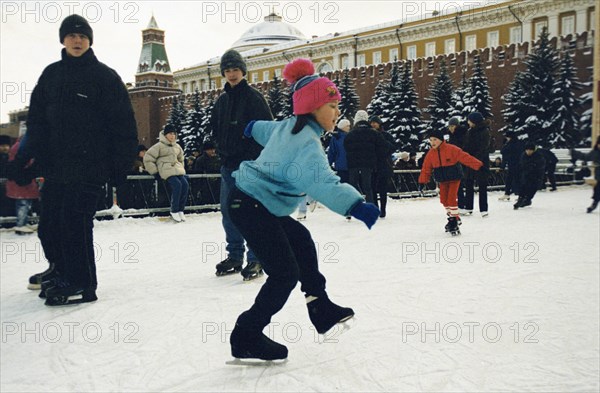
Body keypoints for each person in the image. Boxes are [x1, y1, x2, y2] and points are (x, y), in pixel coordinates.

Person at [227, 58, 380, 360]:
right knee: (284, 274)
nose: (338, 113)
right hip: (251, 204)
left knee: (301, 240)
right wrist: (356, 205)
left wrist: (250, 127)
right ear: (312, 107)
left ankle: (319, 306)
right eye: (332, 106)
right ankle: (246, 334)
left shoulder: (288, 128)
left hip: (254, 202)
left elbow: (265, 130)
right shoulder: (307, 146)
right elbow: (324, 184)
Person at [10, 14, 138, 305]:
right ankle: (60, 270)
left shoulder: (104, 77)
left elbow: (124, 127)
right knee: (50, 225)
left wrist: (121, 168)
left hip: (90, 167)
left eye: (82, 36)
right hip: (56, 167)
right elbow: (38, 123)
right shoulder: (51, 75)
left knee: (74, 224)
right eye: (71, 35)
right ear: (63, 40)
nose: (76, 40)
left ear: (90, 40)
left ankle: (82, 282)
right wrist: (23, 160)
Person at [210, 49, 273, 280]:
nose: (232, 74)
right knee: (229, 213)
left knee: (250, 214)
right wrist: (220, 149)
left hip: (250, 166)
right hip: (228, 166)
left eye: (235, 69)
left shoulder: (254, 98)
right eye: (227, 70)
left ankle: (256, 259)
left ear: (243, 71)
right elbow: (215, 129)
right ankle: (235, 255)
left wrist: (253, 158)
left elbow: (267, 131)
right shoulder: (223, 101)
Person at [418, 129, 484, 235]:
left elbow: (465, 157)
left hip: (454, 178)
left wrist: (479, 166)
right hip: (442, 180)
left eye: (435, 139)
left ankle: (453, 220)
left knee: (451, 199)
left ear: (441, 140)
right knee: (444, 200)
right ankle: (455, 217)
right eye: (430, 140)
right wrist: (422, 181)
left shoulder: (451, 149)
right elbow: (426, 168)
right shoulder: (431, 154)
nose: (432, 142)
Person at [144, 125, 189, 222]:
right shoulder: (159, 146)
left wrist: (181, 167)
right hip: (166, 170)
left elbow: (181, 158)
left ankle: (181, 209)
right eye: (170, 134)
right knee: (177, 185)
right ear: (165, 135)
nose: (172, 136)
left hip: (177, 170)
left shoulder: (177, 146)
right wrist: (154, 171)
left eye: (174, 134)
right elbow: (148, 158)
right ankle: (174, 210)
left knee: (185, 185)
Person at [344, 110, 383, 203]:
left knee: (353, 185)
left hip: (353, 163)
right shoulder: (374, 133)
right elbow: (381, 147)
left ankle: (354, 206)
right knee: (368, 187)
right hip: (368, 163)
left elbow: (346, 147)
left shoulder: (351, 134)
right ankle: (370, 207)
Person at [6, 130, 40, 234]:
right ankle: (21, 226)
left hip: (21, 182)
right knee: (23, 204)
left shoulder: (17, 146)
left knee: (23, 204)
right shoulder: (22, 147)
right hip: (22, 182)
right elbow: (25, 163)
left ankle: (23, 224)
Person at [462, 112, 490, 217]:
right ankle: (468, 206)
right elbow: (466, 145)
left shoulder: (485, 131)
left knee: (482, 185)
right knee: (469, 183)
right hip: (470, 161)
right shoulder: (469, 132)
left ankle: (483, 208)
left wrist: (476, 159)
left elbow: (484, 147)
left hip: (481, 162)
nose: (468, 122)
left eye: (469, 120)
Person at [369, 115, 396, 218]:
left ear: (379, 124)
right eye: (371, 122)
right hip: (372, 165)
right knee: (372, 189)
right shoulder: (368, 136)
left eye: (375, 122)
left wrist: (384, 146)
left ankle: (383, 209)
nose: (373, 124)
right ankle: (376, 208)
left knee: (382, 189)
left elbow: (393, 147)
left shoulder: (386, 135)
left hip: (384, 165)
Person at [571, 136, 600, 213]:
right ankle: (594, 203)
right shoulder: (596, 152)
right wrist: (574, 153)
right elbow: (586, 157)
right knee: (597, 190)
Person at [514, 142, 546, 209]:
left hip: (535, 176)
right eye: (527, 150)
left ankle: (527, 200)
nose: (528, 152)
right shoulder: (523, 156)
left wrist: (533, 167)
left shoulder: (538, 156)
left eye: (530, 150)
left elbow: (540, 166)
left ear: (533, 150)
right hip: (525, 175)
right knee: (523, 187)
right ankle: (520, 199)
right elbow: (521, 164)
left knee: (532, 188)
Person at [447, 116, 468, 211]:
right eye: (449, 126)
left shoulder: (461, 135)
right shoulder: (452, 136)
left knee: (460, 184)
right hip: (454, 163)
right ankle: (460, 203)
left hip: (461, 162)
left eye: (452, 126)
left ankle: (462, 204)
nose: (451, 128)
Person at [499, 131, 525, 201]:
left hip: (513, 164)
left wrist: (502, 167)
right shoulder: (519, 144)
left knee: (511, 180)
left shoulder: (509, 145)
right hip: (518, 164)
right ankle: (519, 195)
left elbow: (504, 154)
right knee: (516, 180)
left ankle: (509, 194)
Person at [327, 118, 351, 184]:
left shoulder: (337, 137)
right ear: (343, 127)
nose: (349, 127)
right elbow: (332, 152)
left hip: (342, 165)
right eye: (347, 126)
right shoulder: (337, 138)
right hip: (345, 165)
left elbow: (332, 152)